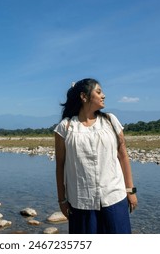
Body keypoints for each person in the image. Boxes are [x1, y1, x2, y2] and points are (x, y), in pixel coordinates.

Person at [54, 78, 138, 234]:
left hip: (114, 197)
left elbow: (123, 157)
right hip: (81, 201)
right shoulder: (65, 127)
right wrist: (62, 200)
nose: (103, 95)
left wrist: (130, 191)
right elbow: (60, 165)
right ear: (84, 97)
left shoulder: (110, 121)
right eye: (99, 92)